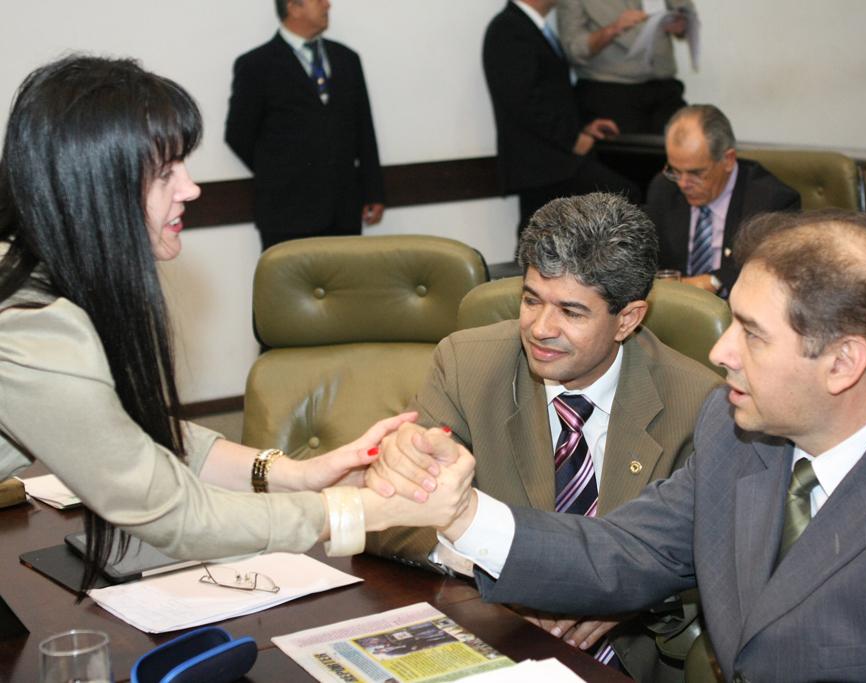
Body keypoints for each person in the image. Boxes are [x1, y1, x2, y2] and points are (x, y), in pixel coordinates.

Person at [392, 209, 866, 681]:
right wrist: (464, 513)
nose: (720, 353)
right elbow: (626, 550)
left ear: (843, 362)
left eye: (751, 334)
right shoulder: (736, 428)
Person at [0, 56, 472, 597]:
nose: (191, 188)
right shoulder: (30, 327)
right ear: (94, 187)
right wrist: (371, 509)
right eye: (165, 172)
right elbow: (176, 515)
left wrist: (295, 473)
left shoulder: (31, 278)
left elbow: (126, 433)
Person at [367, 192, 721, 681]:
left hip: (626, 665)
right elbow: (391, 518)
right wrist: (507, 571)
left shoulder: (699, 403)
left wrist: (624, 595)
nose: (540, 328)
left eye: (571, 312)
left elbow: (715, 565)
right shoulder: (467, 365)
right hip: (492, 643)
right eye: (531, 300)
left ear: (627, 319)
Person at [226, 0, 385, 250]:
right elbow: (238, 135)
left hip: (343, 211)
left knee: (348, 275)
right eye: (318, 0)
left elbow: (364, 130)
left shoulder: (347, 59)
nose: (327, 5)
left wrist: (373, 190)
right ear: (294, 7)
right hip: (286, 215)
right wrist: (280, 170)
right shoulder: (256, 65)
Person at [483, 0, 640, 241]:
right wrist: (572, 138)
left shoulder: (532, 28)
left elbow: (553, 94)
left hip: (553, 162)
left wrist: (584, 125)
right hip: (541, 165)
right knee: (622, 199)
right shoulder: (508, 29)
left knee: (544, 240)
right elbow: (524, 102)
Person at [645, 105, 800, 298]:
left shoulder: (771, 200)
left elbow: (770, 267)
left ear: (728, 160)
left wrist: (713, 281)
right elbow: (648, 257)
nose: (683, 184)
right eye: (675, 170)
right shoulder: (664, 188)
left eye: (696, 173)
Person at [557, 0, 693, 134]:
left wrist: (682, 24)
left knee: (686, 140)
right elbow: (573, 51)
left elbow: (687, 18)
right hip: (610, 93)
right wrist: (613, 29)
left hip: (664, 89)